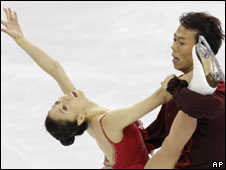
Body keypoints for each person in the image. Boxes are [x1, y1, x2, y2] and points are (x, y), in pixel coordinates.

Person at [1, 7, 181, 169]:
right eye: (64, 108)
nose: (64, 98)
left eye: (57, 102)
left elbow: (55, 69)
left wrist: (20, 39)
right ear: (79, 117)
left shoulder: (88, 121)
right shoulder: (109, 122)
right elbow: (160, 97)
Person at [144, 12, 225, 169]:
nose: (173, 47)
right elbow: (157, 132)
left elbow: (194, 106)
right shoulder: (178, 88)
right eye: (174, 40)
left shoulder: (220, 90)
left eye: (181, 43)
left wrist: (174, 87)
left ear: (202, 51)